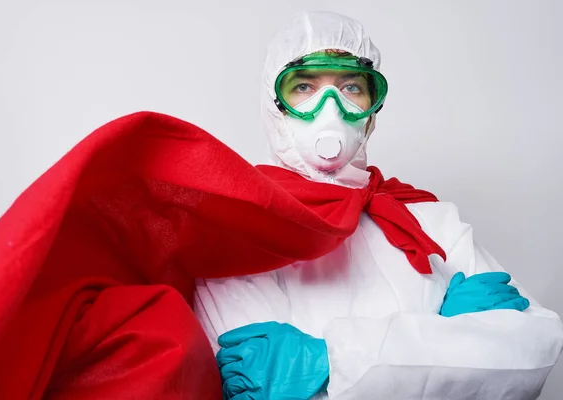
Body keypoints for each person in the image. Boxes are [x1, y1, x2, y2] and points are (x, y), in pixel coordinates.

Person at [194, 11, 563, 400]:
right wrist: (456, 347)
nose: (330, 107)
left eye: (351, 86)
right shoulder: (242, 230)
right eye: (303, 86)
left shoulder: (431, 222)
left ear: (371, 112)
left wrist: (327, 363)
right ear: (275, 105)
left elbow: (536, 347)